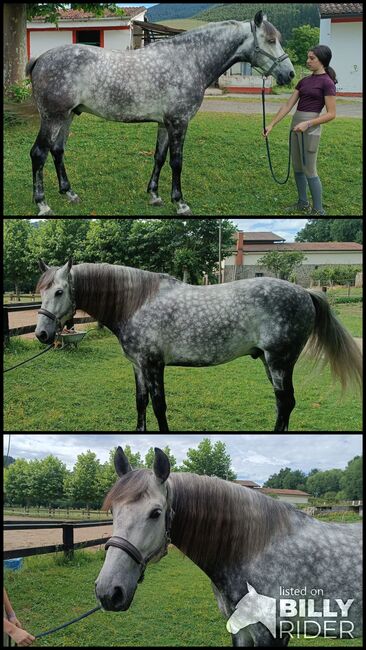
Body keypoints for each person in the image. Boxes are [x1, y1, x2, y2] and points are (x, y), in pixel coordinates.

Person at [263, 45, 337, 215]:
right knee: (297, 166)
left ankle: (318, 210)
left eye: (312, 58)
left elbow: (332, 114)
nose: (308, 61)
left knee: (309, 168)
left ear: (322, 61)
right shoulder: (304, 81)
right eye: (308, 57)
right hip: (296, 125)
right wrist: (272, 124)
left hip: (310, 128)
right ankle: (303, 202)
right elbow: (288, 104)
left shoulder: (327, 83)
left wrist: (308, 124)